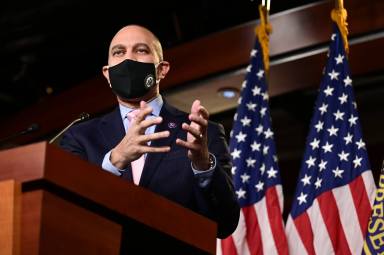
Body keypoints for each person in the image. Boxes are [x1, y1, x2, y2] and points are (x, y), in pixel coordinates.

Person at [59, 25, 239, 240]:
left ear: (162, 69)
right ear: (107, 74)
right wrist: (114, 161)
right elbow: (64, 213)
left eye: (141, 50)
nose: (128, 59)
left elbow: (225, 223)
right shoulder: (80, 137)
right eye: (119, 52)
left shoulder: (201, 132)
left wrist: (202, 165)